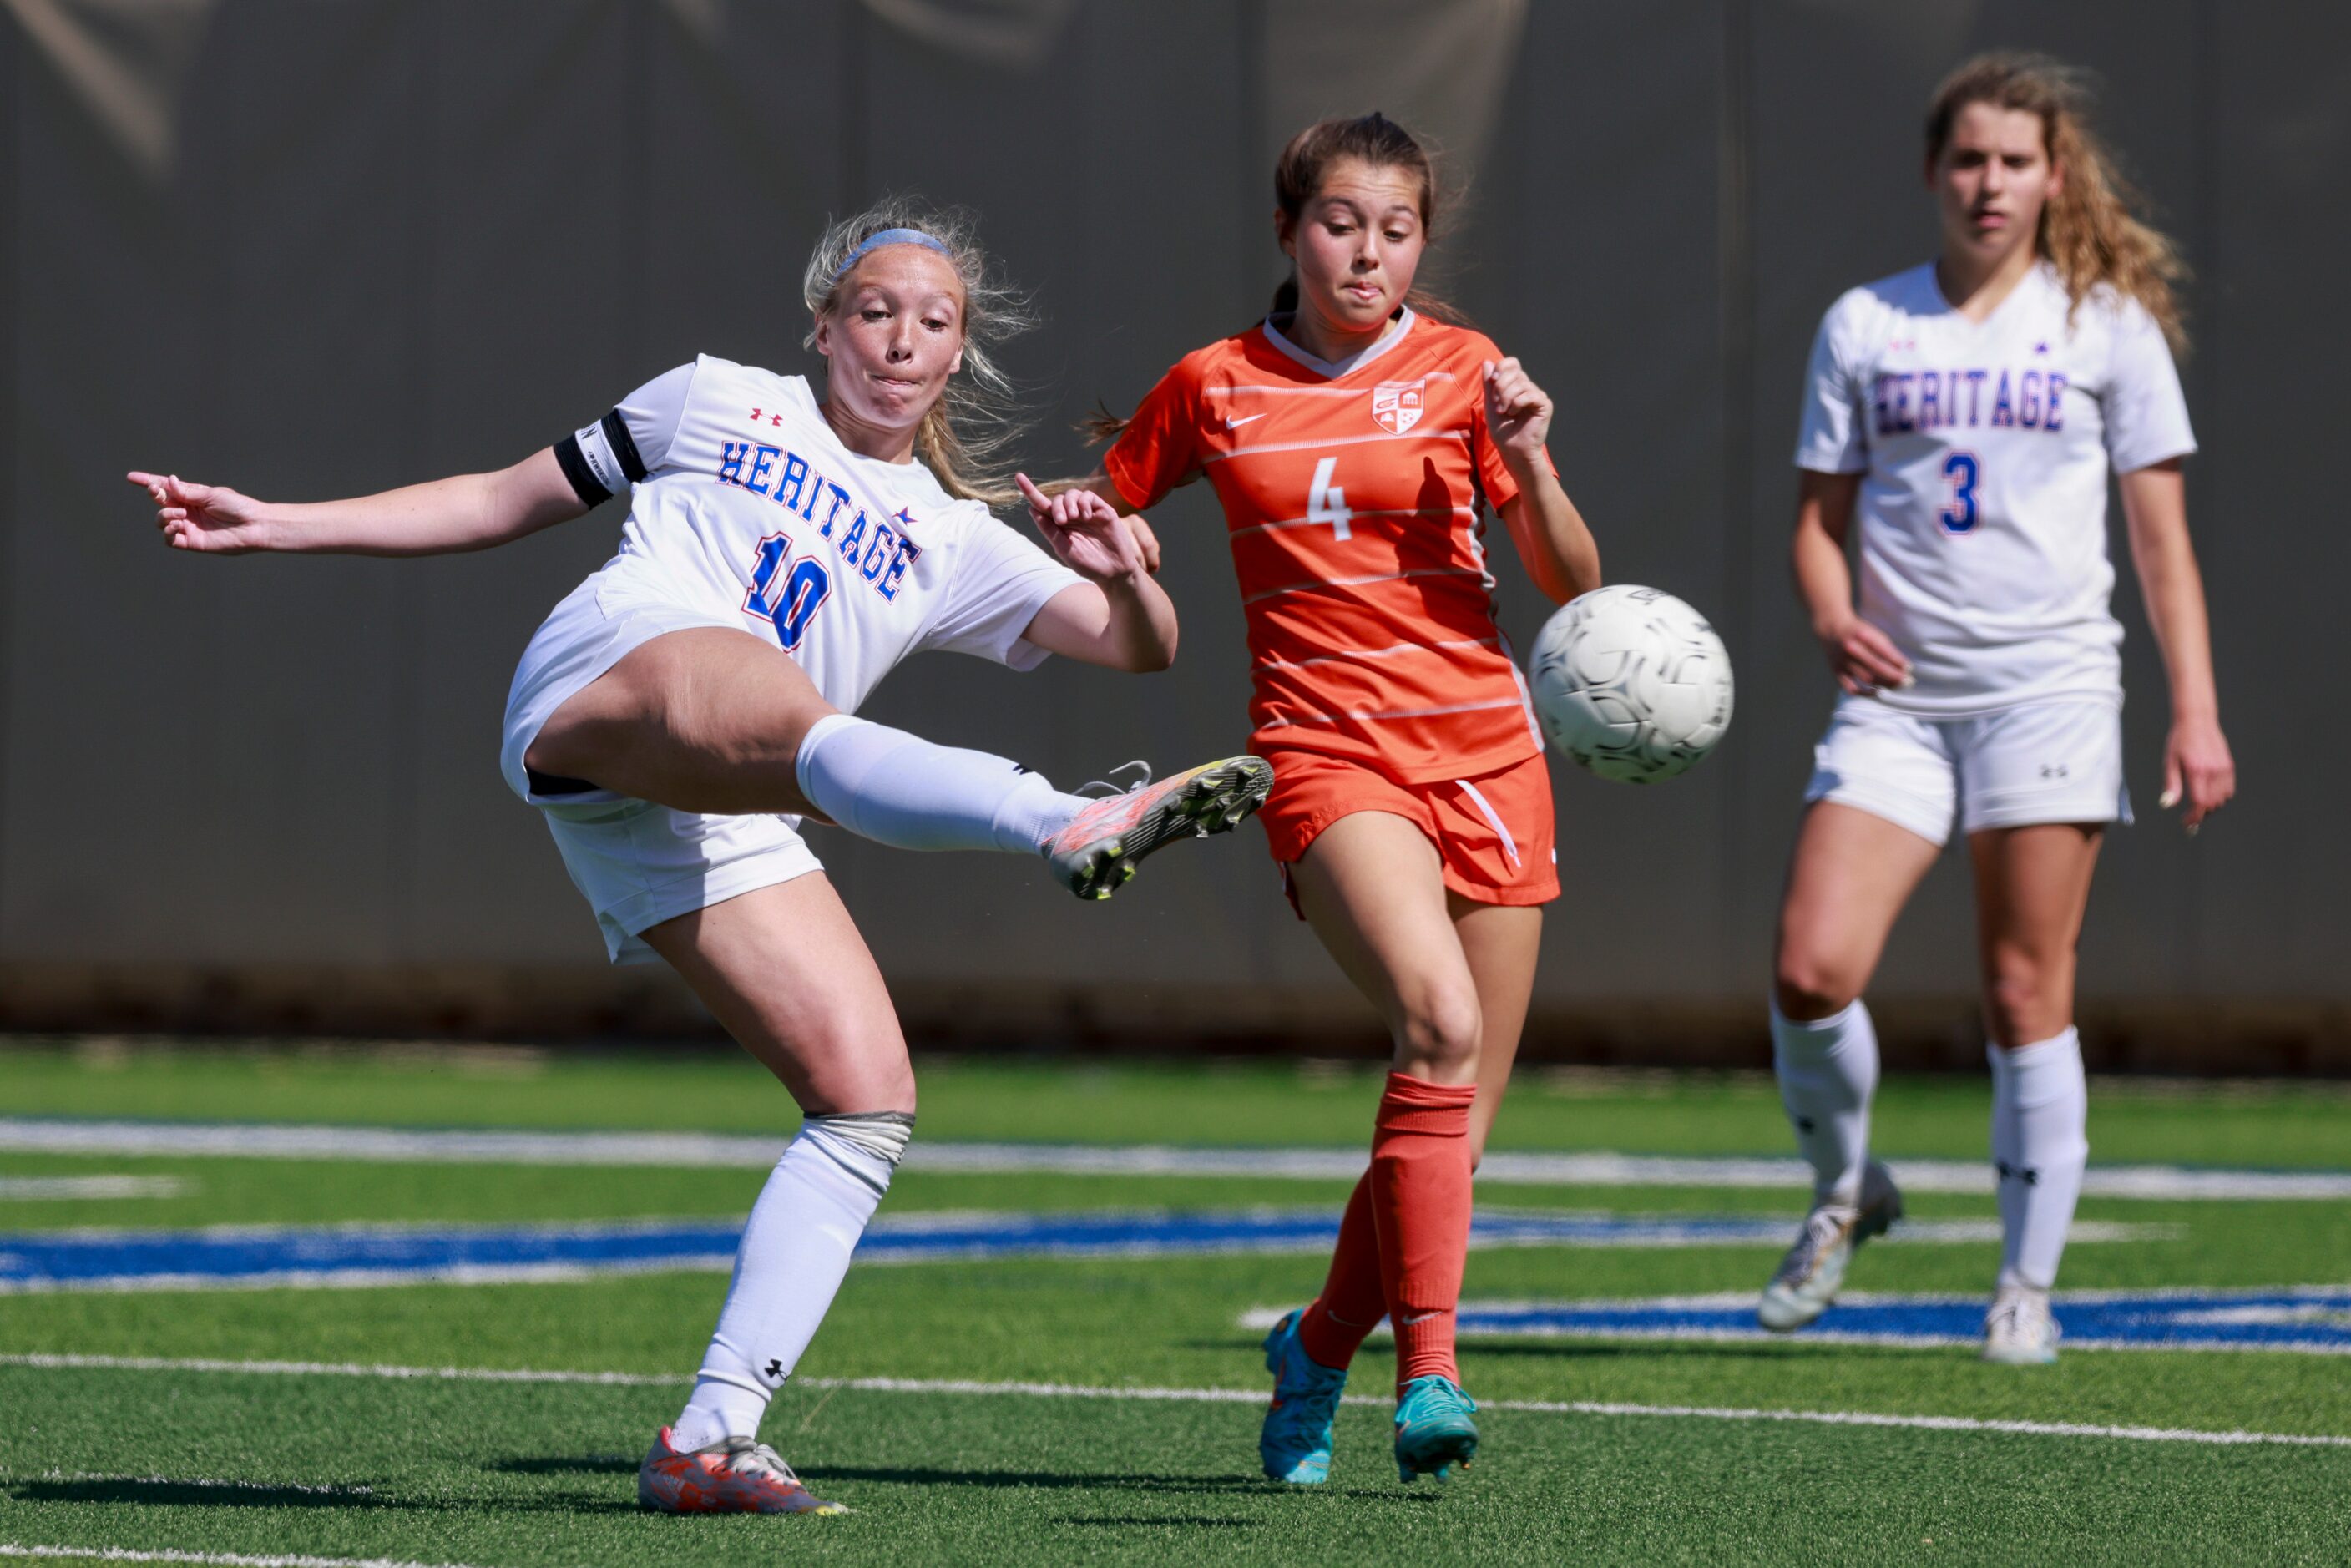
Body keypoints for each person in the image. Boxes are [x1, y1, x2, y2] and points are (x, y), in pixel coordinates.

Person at [129, 199, 1272, 1515]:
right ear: (825, 326)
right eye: (875, 309)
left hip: (707, 810)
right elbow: (500, 498)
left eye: (934, 321)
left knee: (865, 1097)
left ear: (959, 356)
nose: (901, 338)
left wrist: (1122, 568)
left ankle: (711, 1434)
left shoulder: (948, 532)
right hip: (617, 677)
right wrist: (278, 521)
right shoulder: (714, 399)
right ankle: (1061, 818)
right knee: (786, 709)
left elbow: (1145, 644)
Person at [1065, 113, 1601, 1482]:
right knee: (1438, 1018)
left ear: (1425, 240)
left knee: (1452, 1122)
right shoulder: (1215, 382)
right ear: (1291, 228)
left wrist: (1532, 461)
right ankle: (1431, 1371)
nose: (1369, 252)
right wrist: (1096, 540)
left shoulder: (1469, 370)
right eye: (1342, 222)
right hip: (1325, 754)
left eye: (1398, 229)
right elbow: (1106, 517)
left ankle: (1315, 1348)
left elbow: (1574, 585)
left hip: (1491, 755)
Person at [1761, 53, 2234, 1364]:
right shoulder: (1869, 322)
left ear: (2053, 176)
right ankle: (1848, 1189)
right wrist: (1827, 611)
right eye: (1968, 158)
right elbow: (1815, 526)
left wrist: (2194, 713)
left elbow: (2163, 548)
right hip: (1900, 702)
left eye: (2015, 161)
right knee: (1810, 971)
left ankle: (2024, 1283)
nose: (1989, 182)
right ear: (1933, 171)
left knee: (2025, 993)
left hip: (2050, 692)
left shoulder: (2108, 325)